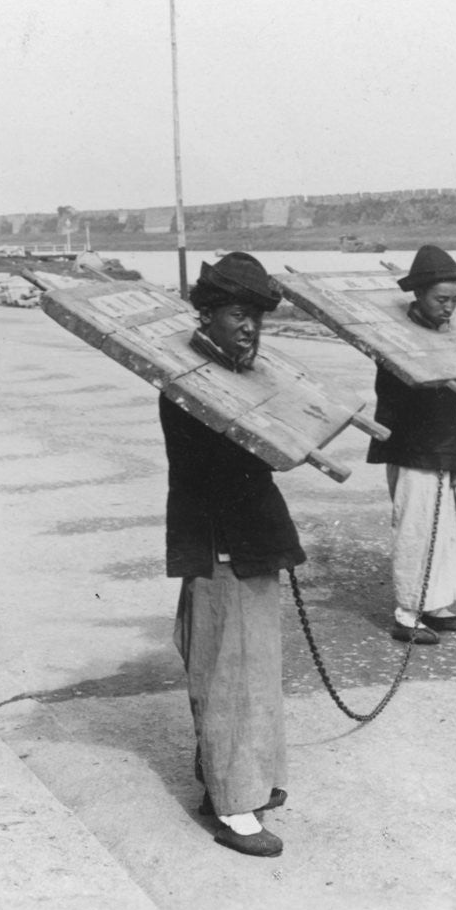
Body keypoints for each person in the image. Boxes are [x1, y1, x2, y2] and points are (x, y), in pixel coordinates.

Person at [160, 252, 306, 858]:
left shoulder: (238, 371)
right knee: (229, 675)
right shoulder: (189, 385)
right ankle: (234, 808)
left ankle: (233, 783)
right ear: (209, 314)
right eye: (238, 315)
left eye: (257, 318)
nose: (250, 328)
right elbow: (222, 470)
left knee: (253, 672)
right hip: (221, 543)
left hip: (252, 540)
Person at [367, 245, 456, 645]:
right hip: (412, 448)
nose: (450, 308)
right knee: (417, 529)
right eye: (441, 299)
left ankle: (435, 606)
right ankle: (407, 613)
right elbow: (409, 396)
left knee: (446, 531)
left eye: (455, 300)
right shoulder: (396, 340)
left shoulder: (443, 333)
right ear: (418, 296)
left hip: (442, 443)